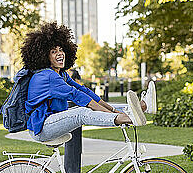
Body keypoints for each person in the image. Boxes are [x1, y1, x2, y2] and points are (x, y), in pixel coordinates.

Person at [22, 22, 154, 143]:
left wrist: (111, 109)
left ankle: (143, 106)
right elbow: (77, 96)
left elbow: (84, 91)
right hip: (42, 127)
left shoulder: (60, 74)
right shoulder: (48, 76)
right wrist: (112, 115)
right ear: (44, 56)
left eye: (61, 49)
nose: (60, 53)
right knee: (81, 113)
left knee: (102, 105)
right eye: (53, 52)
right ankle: (127, 118)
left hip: (53, 120)